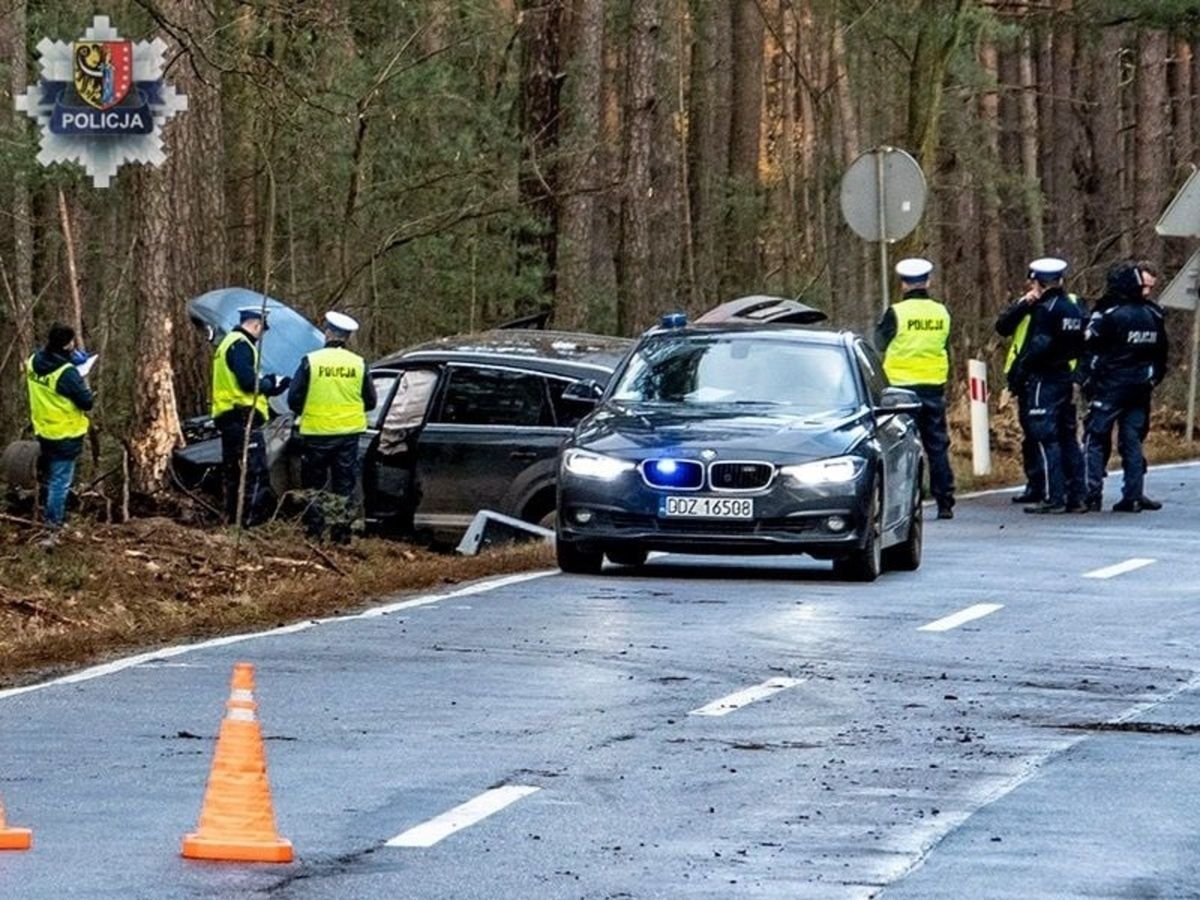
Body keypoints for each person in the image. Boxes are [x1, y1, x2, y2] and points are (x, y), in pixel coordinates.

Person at [1081, 261, 1168, 512]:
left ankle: (1091, 493)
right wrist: (1152, 379)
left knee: (1095, 437)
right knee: (1132, 439)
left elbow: (1092, 349)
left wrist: (1090, 380)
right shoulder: (1153, 314)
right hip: (1140, 386)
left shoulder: (1109, 314)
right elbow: (1161, 354)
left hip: (1111, 386)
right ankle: (1133, 494)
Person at [875, 257, 955, 519]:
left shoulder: (896, 313)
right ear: (928, 282)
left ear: (903, 284)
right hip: (933, 386)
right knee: (937, 446)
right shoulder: (941, 312)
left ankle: (906, 503)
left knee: (901, 448)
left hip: (901, 391)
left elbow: (879, 343)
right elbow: (945, 343)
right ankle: (945, 502)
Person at [287, 311, 376, 543]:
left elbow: (293, 399)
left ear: (327, 333)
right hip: (348, 434)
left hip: (316, 433)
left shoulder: (311, 361)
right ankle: (341, 534)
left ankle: (315, 533)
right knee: (344, 484)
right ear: (346, 337)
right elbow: (371, 401)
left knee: (314, 485)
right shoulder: (358, 363)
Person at [1015, 258, 1086, 514]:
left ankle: (1054, 496)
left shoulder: (1047, 308)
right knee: (1068, 437)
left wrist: (1024, 366)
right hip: (1065, 376)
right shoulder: (1073, 308)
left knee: (1045, 437)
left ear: (1037, 282)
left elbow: (1040, 343)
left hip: (1043, 378)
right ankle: (1077, 495)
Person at [211, 307, 289, 526]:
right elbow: (248, 383)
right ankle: (250, 524)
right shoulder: (241, 345)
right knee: (255, 473)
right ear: (256, 325)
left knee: (233, 473)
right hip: (243, 417)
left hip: (229, 417)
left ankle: (231, 520)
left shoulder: (227, 343)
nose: (262, 335)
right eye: (262, 330)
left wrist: (272, 386)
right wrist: (270, 384)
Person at [26, 323, 94, 547]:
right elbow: (86, 402)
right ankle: (53, 528)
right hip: (65, 434)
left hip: (43, 430)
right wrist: (78, 377)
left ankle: (44, 514)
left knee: (49, 476)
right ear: (67, 344)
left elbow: (51, 362)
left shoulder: (33, 361)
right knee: (60, 482)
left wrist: (71, 359)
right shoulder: (66, 375)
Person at [995, 282, 1045, 504]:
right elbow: (1003, 327)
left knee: (1055, 438)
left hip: (1054, 378)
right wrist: (1024, 304)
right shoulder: (1025, 306)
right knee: (1031, 436)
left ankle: (1062, 487)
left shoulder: (1064, 305)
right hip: (1025, 379)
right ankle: (1035, 485)